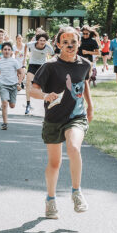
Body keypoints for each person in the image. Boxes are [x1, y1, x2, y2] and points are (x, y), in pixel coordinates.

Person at [29, 26, 93, 219]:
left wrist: (90, 106)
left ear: (79, 43)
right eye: (65, 42)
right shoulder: (50, 66)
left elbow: (85, 83)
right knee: (55, 163)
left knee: (74, 147)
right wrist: (46, 95)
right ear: (57, 44)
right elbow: (33, 90)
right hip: (53, 119)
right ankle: (50, 200)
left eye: (73, 42)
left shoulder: (85, 64)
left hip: (76, 116)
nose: (70, 45)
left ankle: (76, 192)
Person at [0, 42, 25, 130]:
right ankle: (5, 123)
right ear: (2, 51)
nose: (7, 51)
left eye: (8, 49)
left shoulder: (14, 61)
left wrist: (19, 83)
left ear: (11, 51)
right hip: (3, 85)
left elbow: (21, 73)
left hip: (13, 85)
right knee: (4, 104)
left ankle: (9, 99)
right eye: (5, 49)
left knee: (12, 105)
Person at [25, 30, 54, 114]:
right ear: (37, 40)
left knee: (44, 87)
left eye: (44, 41)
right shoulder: (32, 44)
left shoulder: (48, 48)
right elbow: (26, 46)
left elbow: (53, 55)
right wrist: (24, 58)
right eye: (41, 40)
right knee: (28, 84)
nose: (42, 42)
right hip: (32, 65)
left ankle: (48, 104)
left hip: (42, 66)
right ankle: (28, 104)